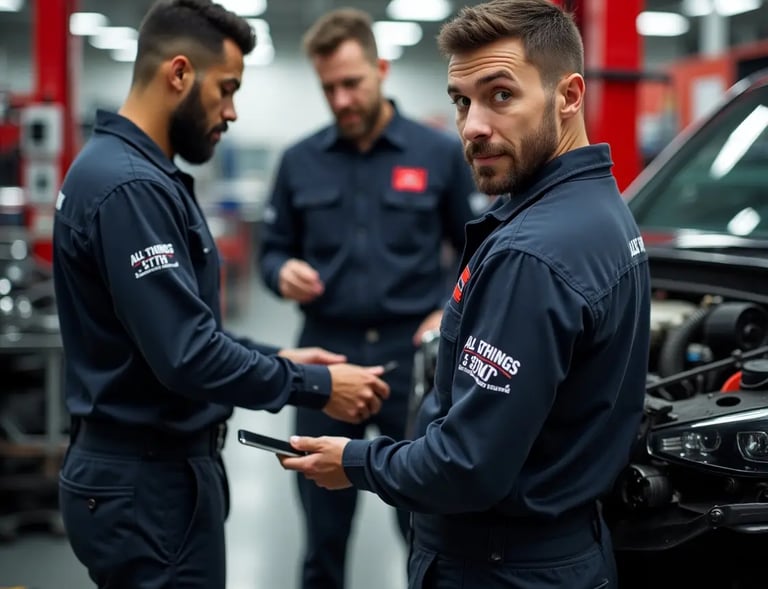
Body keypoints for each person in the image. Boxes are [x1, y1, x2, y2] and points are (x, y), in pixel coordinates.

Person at [280, 1, 652, 588]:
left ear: (569, 95)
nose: (473, 124)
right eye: (461, 100)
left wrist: (351, 462)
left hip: (501, 566)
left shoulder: (533, 256)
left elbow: (467, 465)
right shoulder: (602, 212)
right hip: (557, 546)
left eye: (500, 94)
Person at [51, 1, 390, 588]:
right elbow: (187, 354)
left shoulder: (132, 174)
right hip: (146, 481)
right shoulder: (130, 186)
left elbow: (179, 329)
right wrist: (315, 385)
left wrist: (280, 361)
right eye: (226, 89)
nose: (231, 111)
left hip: (154, 473)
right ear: (179, 74)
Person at [257, 8, 478, 589]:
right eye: (329, 87)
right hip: (327, 360)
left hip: (412, 357)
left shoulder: (435, 153)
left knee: (422, 523)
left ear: (380, 69)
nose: (342, 99)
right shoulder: (299, 160)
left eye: (352, 83)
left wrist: (445, 308)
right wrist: (283, 273)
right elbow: (271, 251)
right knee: (322, 530)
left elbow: (475, 249)